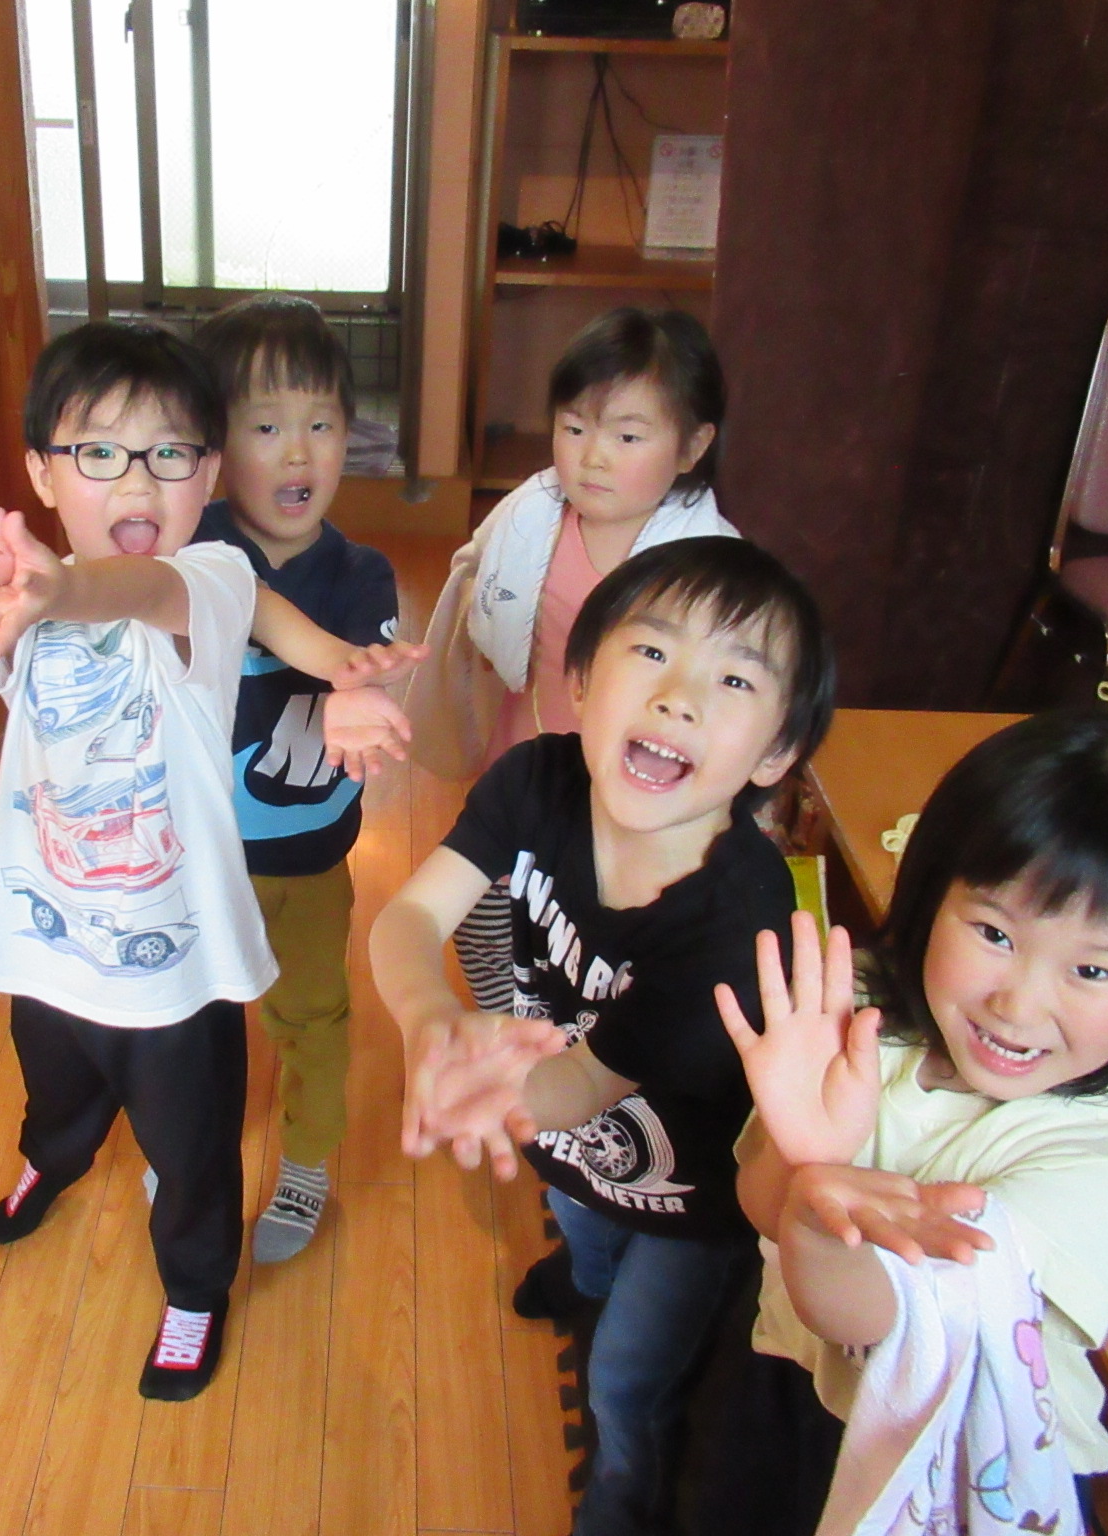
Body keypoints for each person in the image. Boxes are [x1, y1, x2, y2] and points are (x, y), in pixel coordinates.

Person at [0, 320, 415, 1400]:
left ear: (206, 475)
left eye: (168, 453)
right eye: (98, 452)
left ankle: (195, 1290)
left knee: (190, 1142)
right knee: (55, 1087)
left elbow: (123, 594)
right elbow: (19, 644)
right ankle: (55, 1162)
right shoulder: (23, 602)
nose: (135, 479)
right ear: (41, 473)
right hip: (48, 936)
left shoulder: (205, 575)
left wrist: (58, 590)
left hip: (174, 963)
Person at [375, 537, 836, 1536]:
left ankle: (626, 1498)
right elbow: (407, 918)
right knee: (578, 1224)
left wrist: (484, 1090)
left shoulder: (737, 920)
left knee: (626, 1375)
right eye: (652, 651)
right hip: (565, 1140)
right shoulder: (534, 782)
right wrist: (428, 1022)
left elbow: (585, 1083)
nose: (678, 698)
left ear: (773, 756)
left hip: (692, 1201)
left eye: (733, 679)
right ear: (579, 682)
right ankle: (582, 1273)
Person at [711, 710, 1108, 1534]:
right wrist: (803, 1159)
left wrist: (820, 1206)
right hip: (796, 1378)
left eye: (1093, 969)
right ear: (931, 894)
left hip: (962, 1463)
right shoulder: (860, 1015)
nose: (1018, 1004)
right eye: (995, 932)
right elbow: (761, 1204)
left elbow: (882, 1321)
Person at [407, 305, 736, 1017]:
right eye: (574, 427)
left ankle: (575, 1044)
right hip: (521, 766)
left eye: (627, 436)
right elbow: (472, 606)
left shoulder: (710, 569)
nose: (593, 456)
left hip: (626, 796)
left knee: (590, 938)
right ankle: (508, 1022)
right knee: (486, 920)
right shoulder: (529, 517)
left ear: (692, 446)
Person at [191, 293, 401, 1262]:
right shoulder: (190, 556)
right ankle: (188, 1143)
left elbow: (363, 669)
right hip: (191, 850)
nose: (297, 454)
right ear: (214, 448)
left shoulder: (360, 575)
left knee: (311, 1013)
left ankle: (307, 1158)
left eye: (321, 426)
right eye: (266, 427)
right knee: (193, 1013)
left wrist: (358, 694)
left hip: (308, 854)